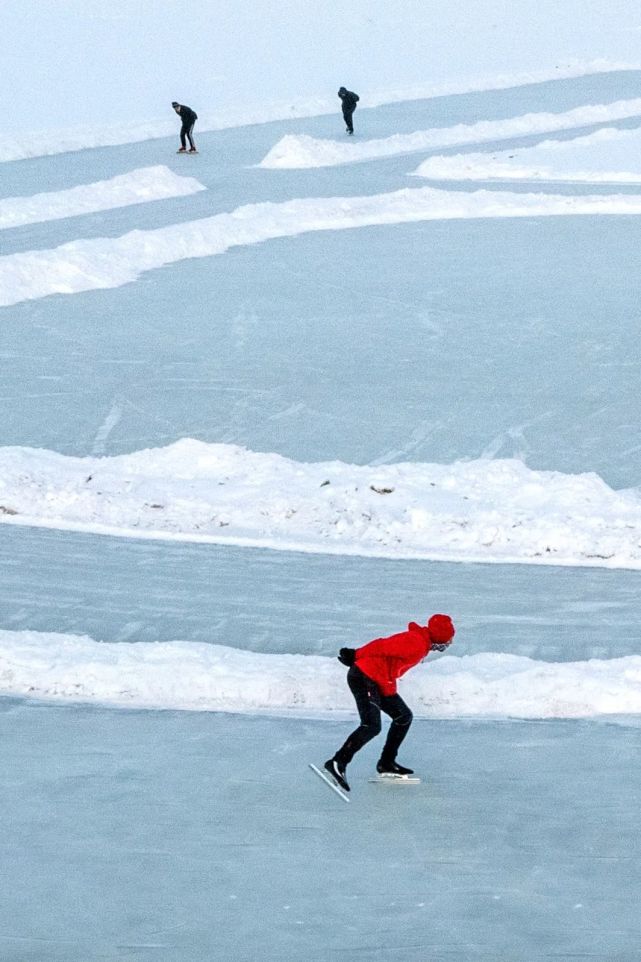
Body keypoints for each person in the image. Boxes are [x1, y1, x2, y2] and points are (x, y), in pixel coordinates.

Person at [324, 614, 455, 792]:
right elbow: (382, 645)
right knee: (371, 725)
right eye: (448, 639)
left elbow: (389, 667)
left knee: (403, 716)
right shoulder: (415, 642)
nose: (449, 643)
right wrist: (356, 654)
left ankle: (386, 763)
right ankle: (338, 762)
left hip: (377, 679)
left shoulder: (421, 644)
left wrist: (388, 690)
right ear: (440, 637)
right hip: (364, 677)